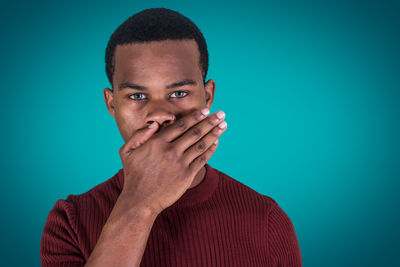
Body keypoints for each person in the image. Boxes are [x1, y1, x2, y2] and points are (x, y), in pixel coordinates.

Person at [40, 7, 302, 267]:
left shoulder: (267, 221)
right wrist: (140, 205)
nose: (160, 115)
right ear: (112, 105)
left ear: (208, 96)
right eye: (137, 96)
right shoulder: (70, 222)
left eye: (178, 94)